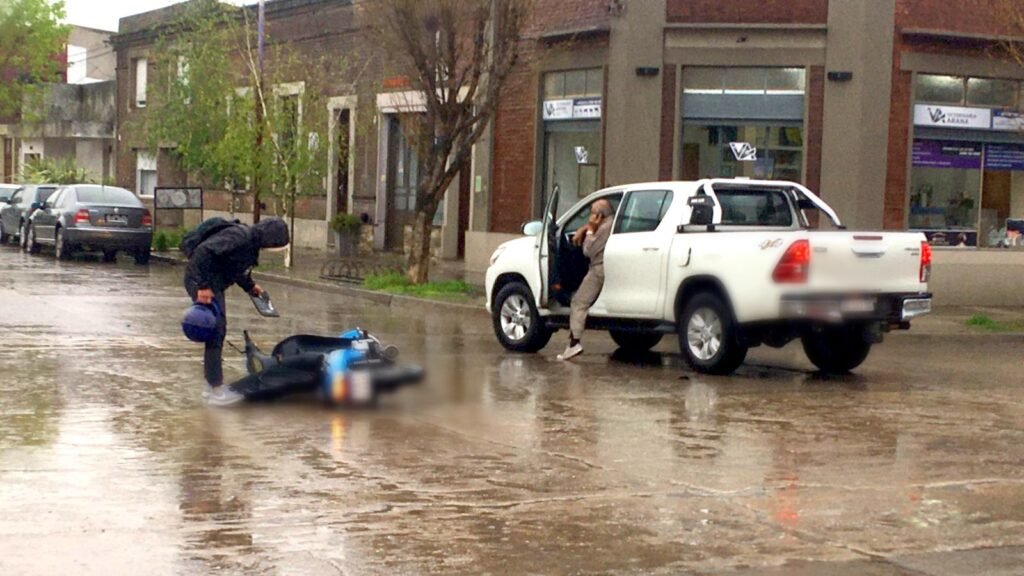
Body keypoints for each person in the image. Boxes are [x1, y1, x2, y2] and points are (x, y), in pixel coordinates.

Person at [184, 218, 290, 406]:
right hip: (202, 282)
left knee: (217, 331)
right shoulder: (239, 237)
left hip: (211, 282)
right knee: (216, 331)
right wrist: (203, 287)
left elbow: (233, 267)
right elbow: (203, 252)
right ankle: (215, 390)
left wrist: (250, 286)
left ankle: (211, 386)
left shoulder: (248, 244)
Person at [558, 199, 614, 361]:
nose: (590, 217)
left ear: (599, 216)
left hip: (598, 269)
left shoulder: (603, 229)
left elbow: (588, 251)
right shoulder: (611, 223)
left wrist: (589, 230)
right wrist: (584, 228)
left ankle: (574, 342)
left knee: (578, 302)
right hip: (608, 267)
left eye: (592, 213)